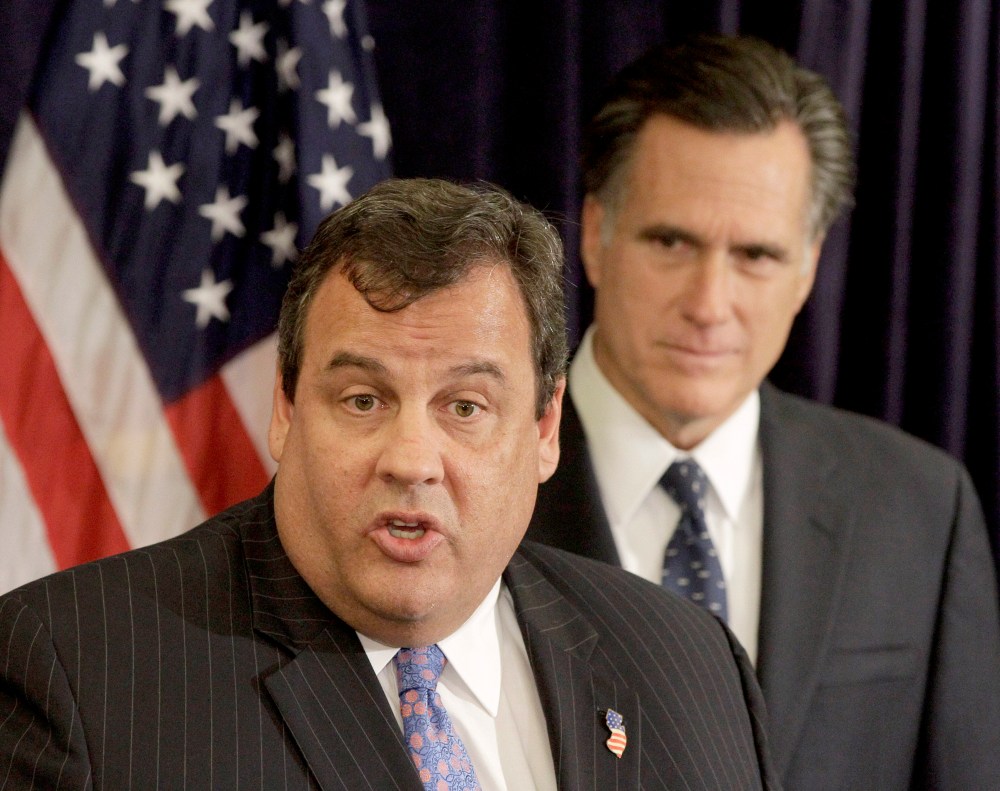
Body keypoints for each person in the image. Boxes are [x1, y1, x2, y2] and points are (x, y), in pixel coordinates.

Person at [0, 178, 779, 790]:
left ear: (545, 428)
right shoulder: (78, 674)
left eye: (465, 406)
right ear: (285, 408)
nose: (411, 459)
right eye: (363, 400)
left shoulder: (689, 664)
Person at [526, 34, 1000, 790]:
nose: (709, 304)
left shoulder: (920, 508)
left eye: (756, 255)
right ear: (594, 236)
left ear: (807, 267)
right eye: (671, 241)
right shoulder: (472, 484)